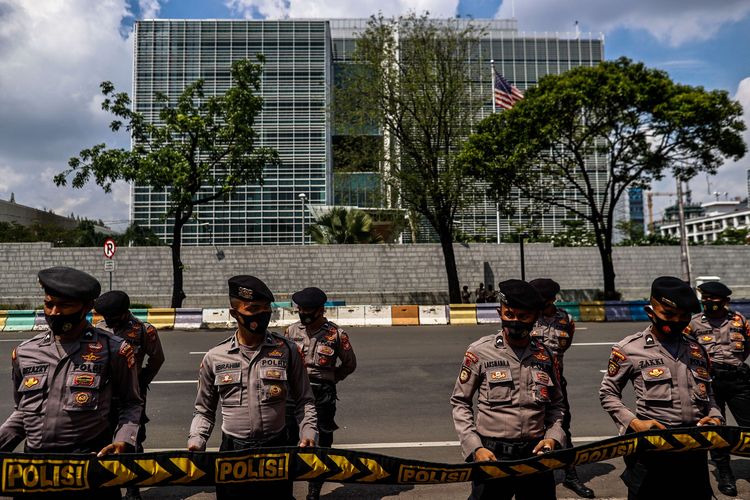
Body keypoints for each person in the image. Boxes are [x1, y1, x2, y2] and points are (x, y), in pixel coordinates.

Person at [0, 267, 142, 500]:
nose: (54, 312)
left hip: (88, 469)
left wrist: (123, 440)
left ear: (86, 307)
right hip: (34, 470)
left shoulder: (113, 349)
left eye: (64, 305)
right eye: (49, 304)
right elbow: (23, 411)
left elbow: (131, 403)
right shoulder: (25, 352)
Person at [188, 275, 317, 500]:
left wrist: (308, 432)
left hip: (276, 450)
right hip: (233, 454)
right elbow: (204, 410)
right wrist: (197, 440)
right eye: (253, 308)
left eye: (266, 308)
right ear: (234, 313)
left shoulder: (287, 350)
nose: (261, 314)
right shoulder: (214, 357)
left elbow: (304, 400)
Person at [599, 276, 724, 499]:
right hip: (652, 450)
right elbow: (608, 393)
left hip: (694, 451)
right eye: (668, 315)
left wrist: (714, 416)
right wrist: (634, 423)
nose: (677, 321)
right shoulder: (629, 349)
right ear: (650, 311)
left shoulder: (697, 350)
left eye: (684, 316)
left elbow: (709, 394)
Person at [452, 279, 565, 500]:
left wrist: (553, 437)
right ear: (500, 312)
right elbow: (460, 402)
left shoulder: (546, 356)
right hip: (492, 454)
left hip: (536, 454)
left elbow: (557, 405)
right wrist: (475, 448)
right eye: (509, 315)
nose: (515, 322)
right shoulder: (480, 352)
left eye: (523, 317)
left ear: (535, 317)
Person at [284, 287, 357, 500]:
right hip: (294, 392)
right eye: (300, 310)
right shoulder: (291, 332)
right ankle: (285, 491)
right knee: (287, 441)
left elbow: (350, 364)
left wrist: (332, 379)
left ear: (320, 310)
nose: (304, 314)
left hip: (322, 393)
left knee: (322, 442)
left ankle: (314, 491)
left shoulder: (336, 334)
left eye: (309, 310)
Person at [94, 290, 165, 500]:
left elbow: (156, 359)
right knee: (104, 440)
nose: (110, 322)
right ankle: (108, 485)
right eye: (107, 318)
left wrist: (141, 381)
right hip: (105, 395)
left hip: (132, 396)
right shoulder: (99, 329)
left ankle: (133, 489)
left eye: (113, 317)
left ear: (124, 313)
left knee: (132, 442)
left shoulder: (143, 330)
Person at [530, 278, 594, 498]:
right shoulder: (528, 316)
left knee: (563, 429)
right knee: (529, 429)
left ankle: (570, 475)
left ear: (552, 299)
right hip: (528, 384)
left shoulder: (565, 319)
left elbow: (563, 348)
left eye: (544, 300)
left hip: (556, 383)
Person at [686, 281, 750, 497]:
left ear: (725, 301)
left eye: (712, 299)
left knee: (748, 426)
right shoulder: (693, 323)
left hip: (738, 380)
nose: (708, 302)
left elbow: (746, 347)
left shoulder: (740, 321)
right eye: (705, 298)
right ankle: (724, 473)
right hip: (709, 382)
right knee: (716, 427)